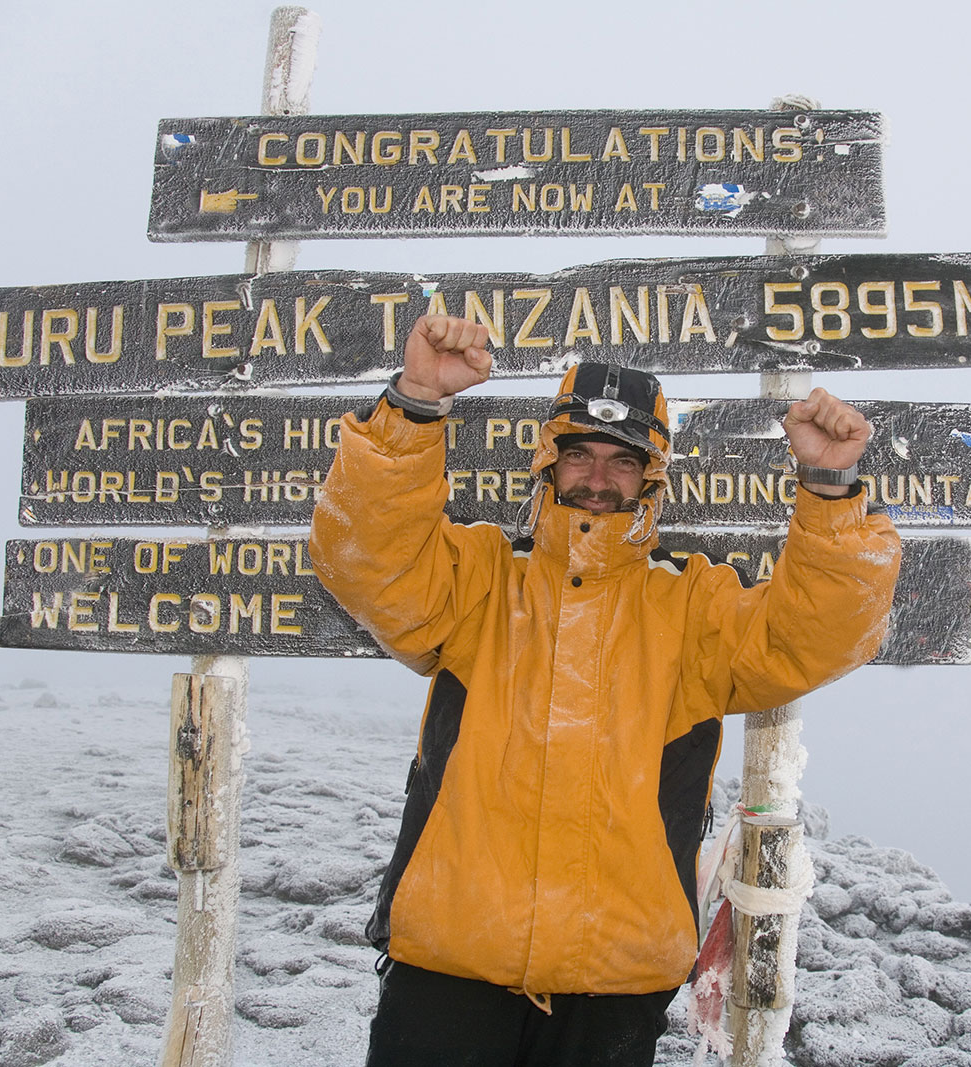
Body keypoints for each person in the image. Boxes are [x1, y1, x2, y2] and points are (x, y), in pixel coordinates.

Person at [309, 315, 901, 1066]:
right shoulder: (479, 581)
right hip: (448, 970)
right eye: (579, 453)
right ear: (548, 463)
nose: (597, 477)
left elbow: (817, 635)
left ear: (650, 475)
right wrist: (418, 400)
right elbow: (365, 557)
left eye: (621, 461)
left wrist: (830, 487)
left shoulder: (692, 609)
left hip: (612, 987)